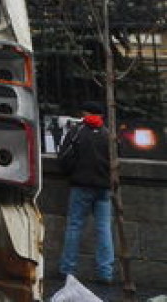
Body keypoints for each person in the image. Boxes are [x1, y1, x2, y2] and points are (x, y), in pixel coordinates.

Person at [57, 99, 114, 285]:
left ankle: (68, 269)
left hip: (81, 185)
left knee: (74, 226)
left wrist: (70, 174)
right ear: (101, 117)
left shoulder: (77, 132)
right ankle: (105, 272)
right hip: (104, 188)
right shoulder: (108, 134)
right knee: (104, 229)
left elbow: (63, 156)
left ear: (85, 114)